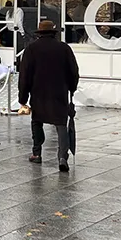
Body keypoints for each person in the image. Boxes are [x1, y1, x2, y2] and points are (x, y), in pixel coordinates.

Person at [18, 20, 79, 172]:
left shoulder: (31, 49)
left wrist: (23, 98)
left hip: (39, 93)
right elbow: (74, 71)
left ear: (40, 33)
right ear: (53, 33)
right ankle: (63, 157)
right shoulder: (64, 48)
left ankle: (37, 153)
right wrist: (72, 87)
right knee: (60, 124)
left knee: (37, 121)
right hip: (59, 92)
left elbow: (24, 75)